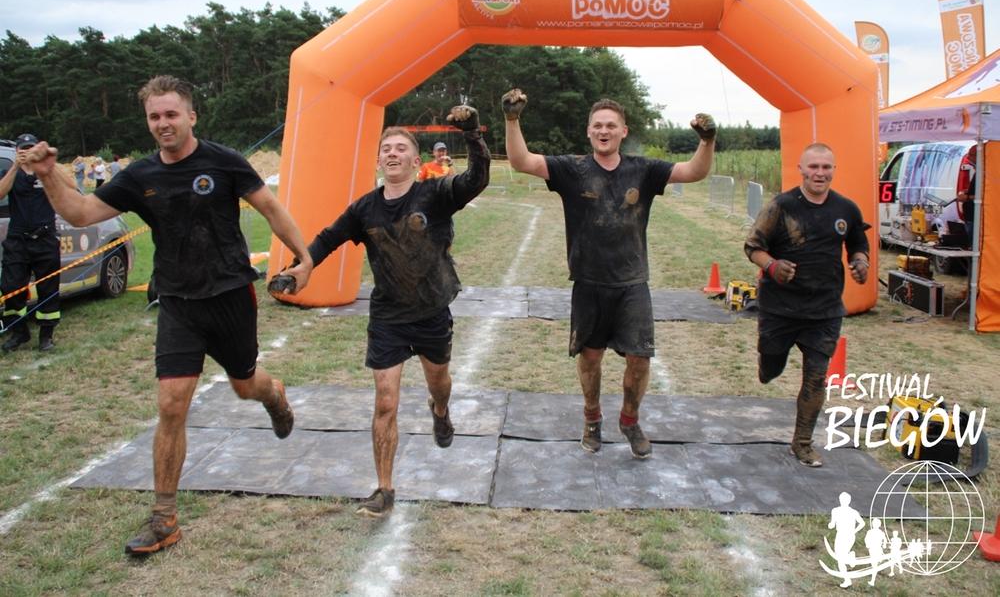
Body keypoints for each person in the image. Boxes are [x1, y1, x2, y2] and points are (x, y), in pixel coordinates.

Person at [22, 75, 315, 555]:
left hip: (230, 296)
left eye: (171, 114)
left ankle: (274, 395)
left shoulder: (224, 161)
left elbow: (271, 209)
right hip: (178, 302)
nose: (163, 123)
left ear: (191, 116)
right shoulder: (139, 176)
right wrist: (48, 173)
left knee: (246, 386)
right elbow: (80, 213)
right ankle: (164, 519)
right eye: (154, 116)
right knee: (172, 404)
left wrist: (303, 259)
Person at [502, 88, 716, 460]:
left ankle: (630, 421)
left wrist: (707, 141)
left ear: (623, 131)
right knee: (590, 358)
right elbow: (522, 161)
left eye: (611, 126)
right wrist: (511, 119)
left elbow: (694, 171)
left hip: (632, 283)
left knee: (639, 359)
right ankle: (592, 418)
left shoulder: (644, 169)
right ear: (589, 131)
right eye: (598, 125)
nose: (604, 131)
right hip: (589, 283)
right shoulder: (572, 169)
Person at [306, 106, 489, 517]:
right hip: (388, 317)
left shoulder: (434, 194)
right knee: (385, 401)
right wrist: (302, 267)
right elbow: (328, 238)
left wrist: (473, 134)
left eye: (400, 148)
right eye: (386, 148)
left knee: (439, 383)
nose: (392, 153)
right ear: (378, 161)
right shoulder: (364, 209)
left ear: (415, 160)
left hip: (431, 310)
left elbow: (477, 179)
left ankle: (440, 411)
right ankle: (384, 489)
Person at [744, 143, 870, 468]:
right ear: (801, 169)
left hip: (824, 310)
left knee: (816, 377)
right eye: (813, 166)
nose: (820, 173)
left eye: (826, 167)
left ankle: (802, 443)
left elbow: (858, 242)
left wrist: (860, 261)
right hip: (779, 308)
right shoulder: (781, 207)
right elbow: (753, 246)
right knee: (771, 370)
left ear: (833, 170)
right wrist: (772, 266)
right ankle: (768, 363)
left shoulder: (846, 209)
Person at [1, 134, 67, 352]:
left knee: (48, 287)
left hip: (45, 238)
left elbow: (71, 187)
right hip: (17, 239)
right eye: (23, 149)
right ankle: (19, 331)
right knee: (10, 287)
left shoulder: (46, 172)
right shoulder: (11, 172)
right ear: (17, 151)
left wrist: (49, 164)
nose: (28, 152)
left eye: (31, 148)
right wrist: (14, 167)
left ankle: (46, 335)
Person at [828, 492, 866, 588]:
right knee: (839, 558)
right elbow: (832, 523)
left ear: (849, 501)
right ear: (840, 500)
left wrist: (854, 531)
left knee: (841, 558)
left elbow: (862, 523)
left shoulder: (853, 512)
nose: (843, 501)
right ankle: (847, 579)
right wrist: (831, 525)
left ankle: (850, 557)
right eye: (842, 499)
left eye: (845, 500)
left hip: (848, 535)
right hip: (840, 534)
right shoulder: (835, 511)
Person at [957, 144, 978, 243]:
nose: (968, 157)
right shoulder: (977, 173)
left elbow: (987, 196)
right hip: (970, 216)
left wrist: (968, 197)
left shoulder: (984, 175)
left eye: (971, 155)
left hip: (975, 217)